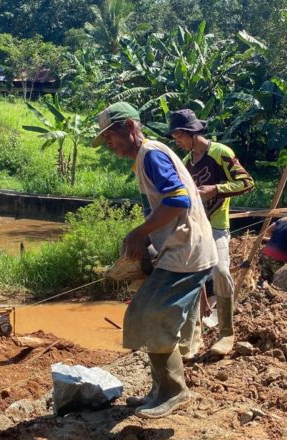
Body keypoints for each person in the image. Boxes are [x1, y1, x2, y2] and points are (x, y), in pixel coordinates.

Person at [92, 102, 217, 419]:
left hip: (186, 252)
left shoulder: (151, 155)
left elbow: (178, 200)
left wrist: (139, 232)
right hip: (180, 249)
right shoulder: (146, 157)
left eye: (111, 138)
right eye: (106, 141)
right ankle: (159, 390)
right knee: (150, 314)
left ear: (130, 128)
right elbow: (159, 206)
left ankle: (175, 391)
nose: (111, 145)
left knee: (150, 315)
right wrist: (146, 238)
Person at [167, 109, 255, 356]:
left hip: (216, 225)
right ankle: (191, 339)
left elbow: (246, 182)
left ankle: (227, 333)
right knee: (190, 278)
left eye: (179, 137)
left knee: (220, 270)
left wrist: (215, 189)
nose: (178, 142)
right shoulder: (186, 163)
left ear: (192, 133)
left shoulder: (219, 153)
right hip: (196, 227)